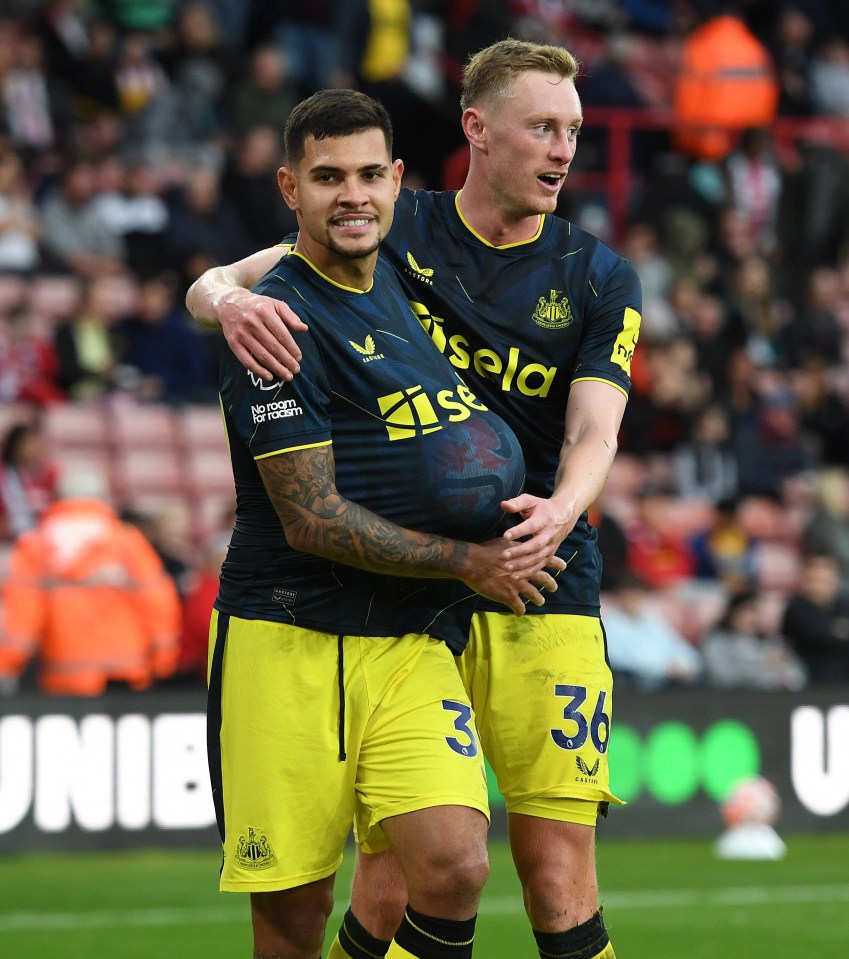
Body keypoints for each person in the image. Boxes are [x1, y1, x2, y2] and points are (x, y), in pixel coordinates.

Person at [187, 38, 640, 959]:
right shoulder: (389, 226)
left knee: (551, 872)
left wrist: (560, 507)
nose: (564, 149)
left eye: (575, 131)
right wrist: (222, 301)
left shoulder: (596, 274)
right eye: (544, 127)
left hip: (541, 579)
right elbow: (231, 280)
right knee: (394, 879)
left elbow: (596, 430)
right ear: (475, 128)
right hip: (412, 595)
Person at [0, 464, 181, 695]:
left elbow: (21, 618)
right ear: (102, 497)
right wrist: (163, 660)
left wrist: (7, 666)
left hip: (65, 678)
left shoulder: (36, 545)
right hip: (126, 675)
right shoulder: (127, 542)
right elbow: (158, 603)